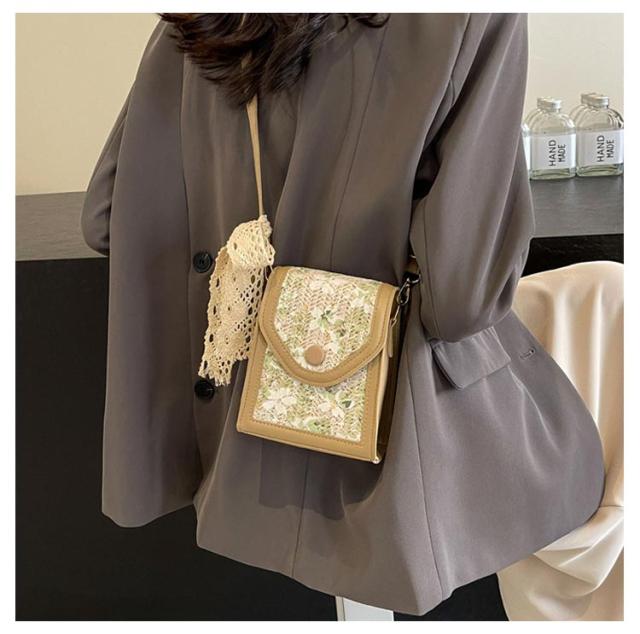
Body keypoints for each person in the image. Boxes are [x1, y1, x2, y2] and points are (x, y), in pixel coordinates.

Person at [81, 13, 605, 616]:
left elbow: (105, 215)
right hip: (377, 437)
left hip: (217, 415)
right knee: (574, 440)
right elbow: (461, 298)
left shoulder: (199, 21)